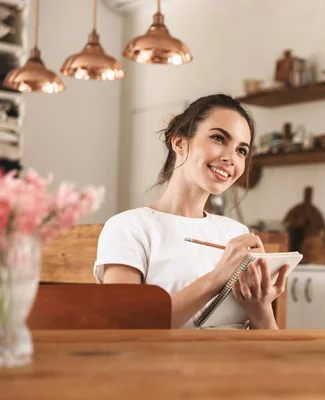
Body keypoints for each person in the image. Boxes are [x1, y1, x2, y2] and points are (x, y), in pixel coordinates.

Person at [93, 94, 289, 329]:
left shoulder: (236, 232)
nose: (230, 158)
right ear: (180, 143)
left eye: (241, 151)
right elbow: (124, 326)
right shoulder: (128, 227)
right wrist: (217, 278)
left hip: (235, 363)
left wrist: (261, 308)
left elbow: (266, 343)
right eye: (218, 138)